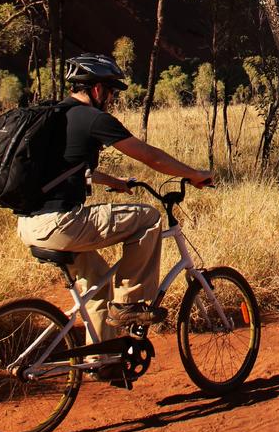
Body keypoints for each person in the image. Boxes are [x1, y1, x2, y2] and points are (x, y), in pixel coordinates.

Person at [15, 52, 213, 352]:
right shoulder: (92, 118)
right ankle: (130, 304)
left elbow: (73, 169)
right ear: (96, 89)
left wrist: (115, 183)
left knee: (97, 283)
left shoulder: (55, 115)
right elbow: (150, 156)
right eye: (110, 91)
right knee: (148, 218)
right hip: (62, 223)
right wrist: (193, 174)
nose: (111, 98)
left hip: (30, 223)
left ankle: (100, 361)